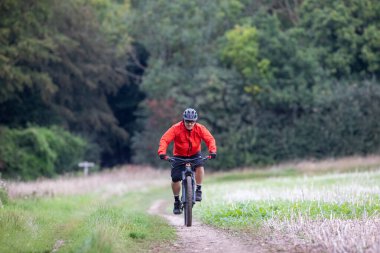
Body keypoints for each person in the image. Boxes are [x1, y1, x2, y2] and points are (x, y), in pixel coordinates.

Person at [158, 108, 217, 214]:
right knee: (175, 178)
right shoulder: (176, 128)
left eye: (192, 122)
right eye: (187, 121)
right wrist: (162, 152)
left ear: (195, 121)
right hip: (179, 156)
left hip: (195, 154)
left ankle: (198, 189)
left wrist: (212, 151)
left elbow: (210, 139)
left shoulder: (200, 128)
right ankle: (176, 201)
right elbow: (165, 139)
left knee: (200, 166)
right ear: (183, 120)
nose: (189, 124)